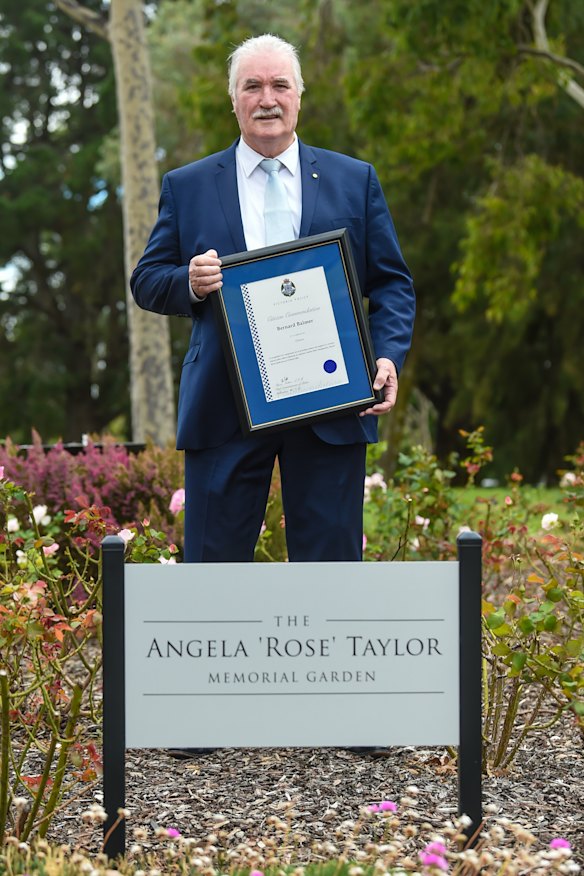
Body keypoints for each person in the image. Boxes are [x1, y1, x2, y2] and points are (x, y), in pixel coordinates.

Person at [131, 33, 415, 567]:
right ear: (233, 98)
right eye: (253, 86)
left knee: (329, 573)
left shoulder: (355, 180)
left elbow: (393, 282)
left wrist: (386, 356)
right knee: (213, 574)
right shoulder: (187, 185)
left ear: (299, 96)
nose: (268, 98)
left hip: (331, 402)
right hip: (223, 405)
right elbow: (147, 279)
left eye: (280, 85)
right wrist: (188, 282)